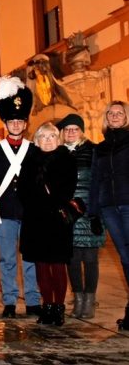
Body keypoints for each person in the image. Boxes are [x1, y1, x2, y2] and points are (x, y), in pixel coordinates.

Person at [0, 76, 42, 318]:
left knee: (30, 258)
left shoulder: (34, 150)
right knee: (7, 259)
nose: (16, 125)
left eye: (20, 121)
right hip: (5, 211)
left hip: (29, 212)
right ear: (5, 123)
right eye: (12, 121)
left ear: (26, 124)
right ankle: (9, 301)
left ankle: (33, 300)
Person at [19, 122, 78, 326]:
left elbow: (68, 189)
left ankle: (59, 308)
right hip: (35, 220)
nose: (48, 140)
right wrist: (36, 203)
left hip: (57, 220)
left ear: (58, 139)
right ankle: (47, 306)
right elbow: (23, 191)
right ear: (37, 141)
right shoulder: (29, 161)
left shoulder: (67, 160)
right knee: (41, 265)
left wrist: (49, 202)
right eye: (43, 137)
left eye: (52, 136)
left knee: (58, 264)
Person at [59, 113, 104, 319]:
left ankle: (89, 301)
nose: (70, 132)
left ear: (81, 131)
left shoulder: (93, 150)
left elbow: (100, 181)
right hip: (68, 212)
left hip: (90, 211)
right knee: (73, 258)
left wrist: (97, 212)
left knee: (91, 258)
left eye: (74, 129)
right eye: (67, 129)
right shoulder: (59, 152)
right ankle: (77, 299)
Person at [89, 100, 129, 330]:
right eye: (111, 113)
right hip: (109, 209)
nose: (114, 116)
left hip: (128, 203)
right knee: (124, 257)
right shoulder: (100, 148)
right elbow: (95, 180)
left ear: (126, 117)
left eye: (119, 113)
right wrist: (94, 213)